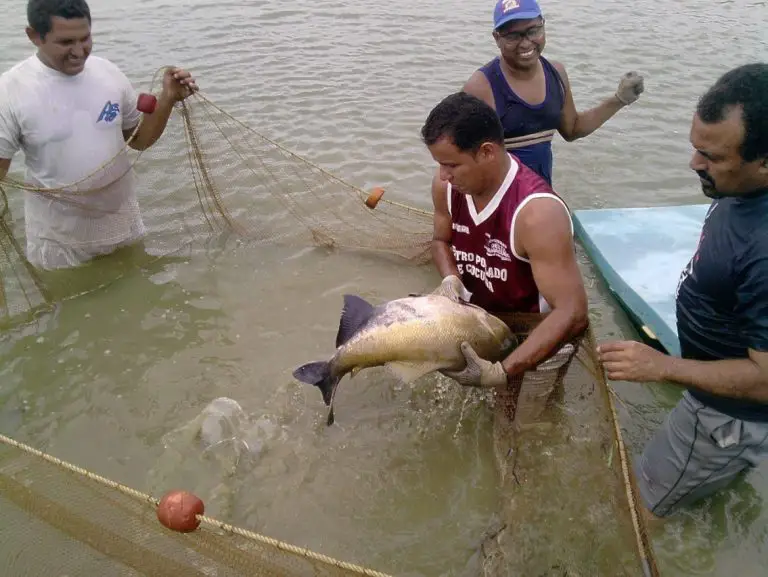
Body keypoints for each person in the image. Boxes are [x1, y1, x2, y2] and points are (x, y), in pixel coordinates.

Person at [597, 63, 768, 519]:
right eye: (696, 148)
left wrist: (661, 366)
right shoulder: (742, 190)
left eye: (711, 158)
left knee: (636, 511)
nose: (694, 164)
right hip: (713, 399)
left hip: (721, 417)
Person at [0, 0, 198, 271]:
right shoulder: (10, 92)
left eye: (85, 38)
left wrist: (168, 98)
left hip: (123, 226)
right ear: (34, 36)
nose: (79, 52)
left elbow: (139, 140)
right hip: (61, 245)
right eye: (66, 42)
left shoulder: (108, 73)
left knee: (135, 306)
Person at [421, 91, 588, 407]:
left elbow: (572, 312)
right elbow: (441, 240)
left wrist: (501, 372)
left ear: (486, 152)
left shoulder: (537, 214)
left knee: (520, 427)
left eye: (451, 164)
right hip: (486, 323)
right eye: (439, 165)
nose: (443, 175)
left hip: (537, 335)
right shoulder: (446, 187)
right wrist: (450, 279)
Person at [462, 0, 645, 185]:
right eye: (513, 36)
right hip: (498, 199)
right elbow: (461, 159)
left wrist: (619, 99)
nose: (525, 43)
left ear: (543, 25)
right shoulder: (481, 87)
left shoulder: (556, 74)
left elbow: (572, 129)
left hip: (540, 195)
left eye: (533, 31)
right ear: (497, 38)